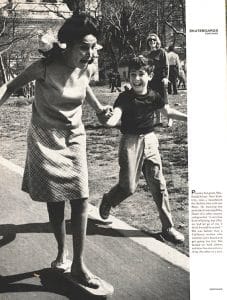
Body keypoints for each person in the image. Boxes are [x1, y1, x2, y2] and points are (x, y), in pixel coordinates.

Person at [0, 14, 112, 288]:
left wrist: (99, 110)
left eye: (93, 46)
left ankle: (79, 264)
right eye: (84, 47)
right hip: (44, 137)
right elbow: (9, 87)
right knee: (56, 199)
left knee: (82, 198)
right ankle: (62, 252)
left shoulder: (89, 65)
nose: (89, 53)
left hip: (74, 137)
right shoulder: (44, 67)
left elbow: (84, 86)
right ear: (68, 45)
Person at [99, 55, 187, 244]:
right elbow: (116, 116)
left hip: (150, 140)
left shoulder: (154, 96)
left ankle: (168, 228)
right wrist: (108, 119)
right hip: (130, 142)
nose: (136, 79)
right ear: (128, 77)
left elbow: (168, 112)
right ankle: (109, 200)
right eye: (133, 75)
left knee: (158, 185)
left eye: (141, 74)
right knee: (129, 187)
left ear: (149, 75)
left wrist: (189, 117)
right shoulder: (124, 97)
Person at [146, 33, 169, 126]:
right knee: (153, 100)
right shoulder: (148, 54)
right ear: (148, 42)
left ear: (157, 41)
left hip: (161, 79)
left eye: (154, 40)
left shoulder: (162, 52)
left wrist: (165, 77)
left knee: (163, 100)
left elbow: (166, 65)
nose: (152, 41)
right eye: (150, 40)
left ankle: (169, 118)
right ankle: (158, 120)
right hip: (151, 80)